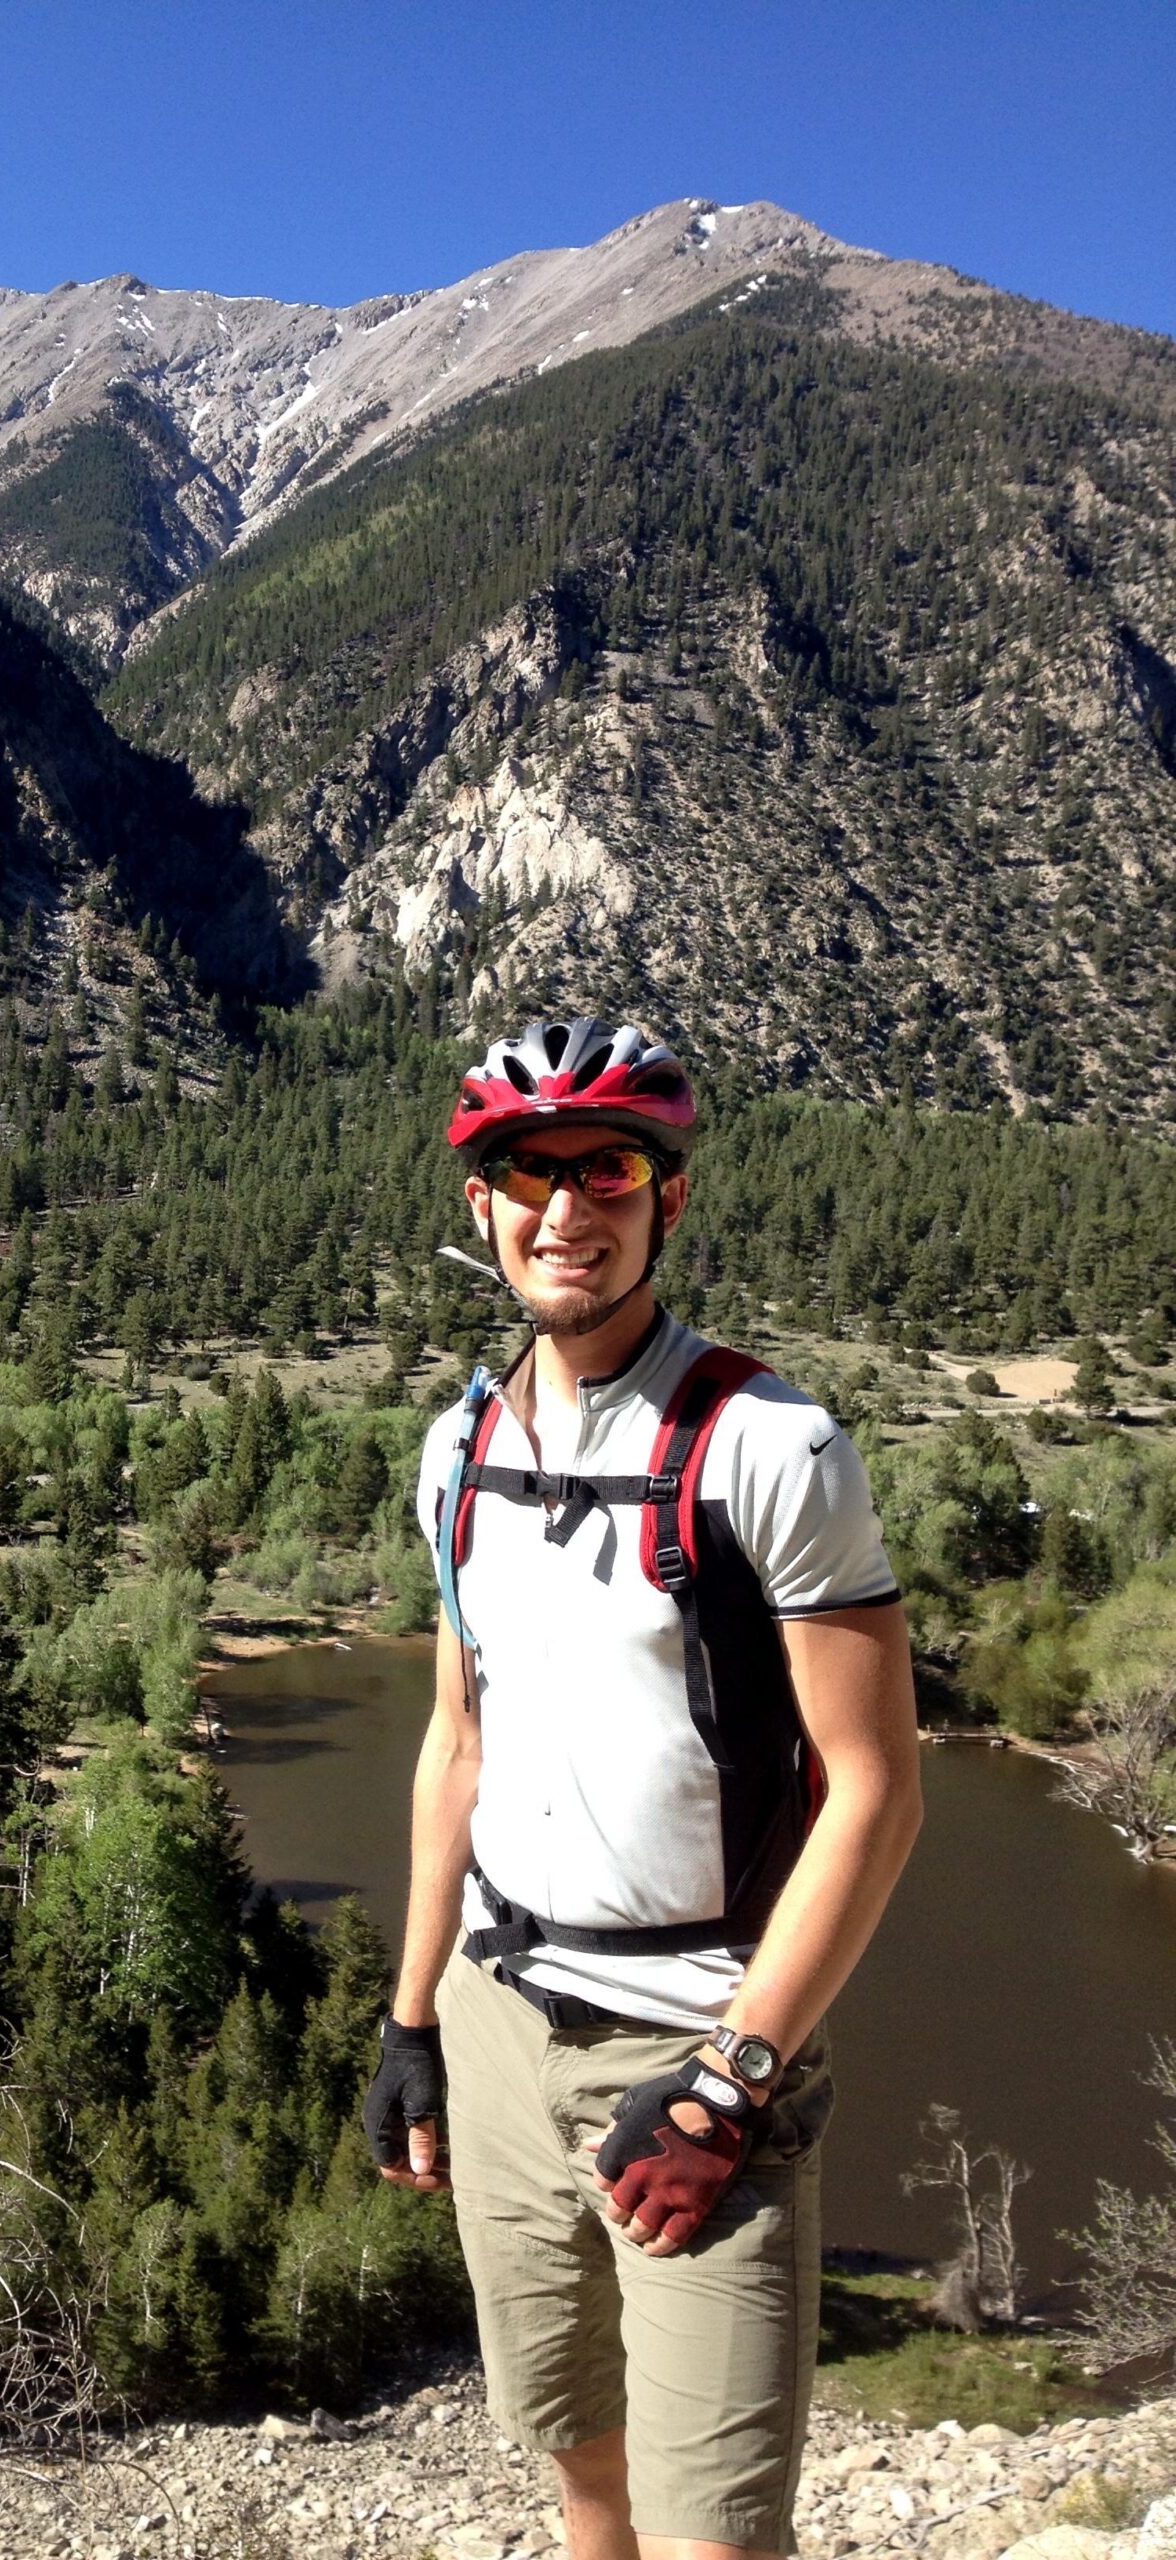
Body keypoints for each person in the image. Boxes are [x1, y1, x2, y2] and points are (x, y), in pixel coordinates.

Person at [363, 1016, 921, 2560]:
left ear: (664, 1198)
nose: (566, 1209)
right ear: (480, 1206)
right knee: (576, 2460)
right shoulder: (456, 1451)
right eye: (525, 1174)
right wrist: (414, 2019)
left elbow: (875, 1794)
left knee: (716, 2534)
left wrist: (732, 2080)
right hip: (499, 2017)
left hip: (701, 2045)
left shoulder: (769, 1447)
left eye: (605, 1168)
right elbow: (457, 1740)